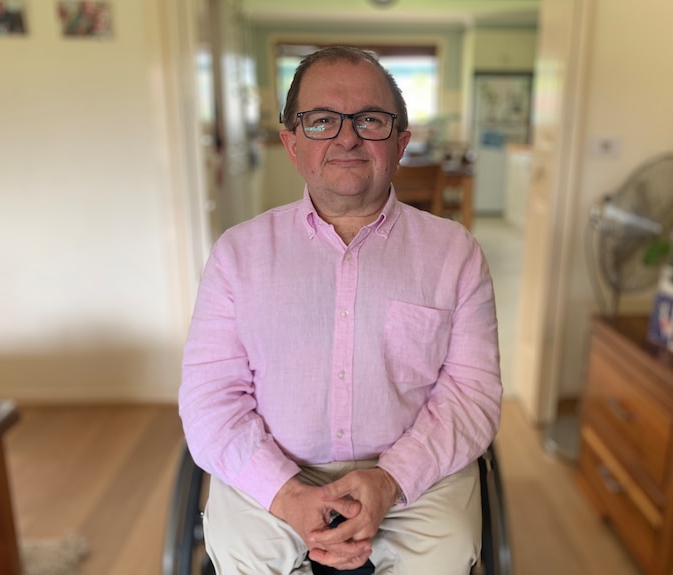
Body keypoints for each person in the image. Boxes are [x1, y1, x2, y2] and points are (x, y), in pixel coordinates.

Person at [179, 46, 502, 574]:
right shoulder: (237, 255)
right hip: (274, 467)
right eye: (322, 120)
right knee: (245, 557)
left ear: (400, 143)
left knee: (444, 558)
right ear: (292, 143)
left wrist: (391, 480)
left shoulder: (455, 253)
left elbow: (473, 393)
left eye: (370, 120)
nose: (346, 137)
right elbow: (210, 399)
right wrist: (285, 493)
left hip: (417, 474)